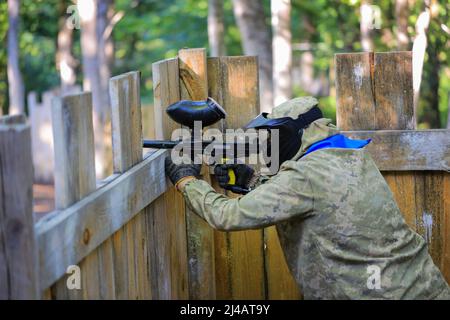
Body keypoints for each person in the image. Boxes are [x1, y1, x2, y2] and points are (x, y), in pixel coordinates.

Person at [164, 96, 450, 299]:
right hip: (424, 286)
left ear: (296, 133)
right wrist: (253, 180)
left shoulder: (305, 176)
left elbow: (227, 216)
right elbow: (322, 204)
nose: (270, 147)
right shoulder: (351, 155)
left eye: (274, 137)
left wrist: (187, 180)